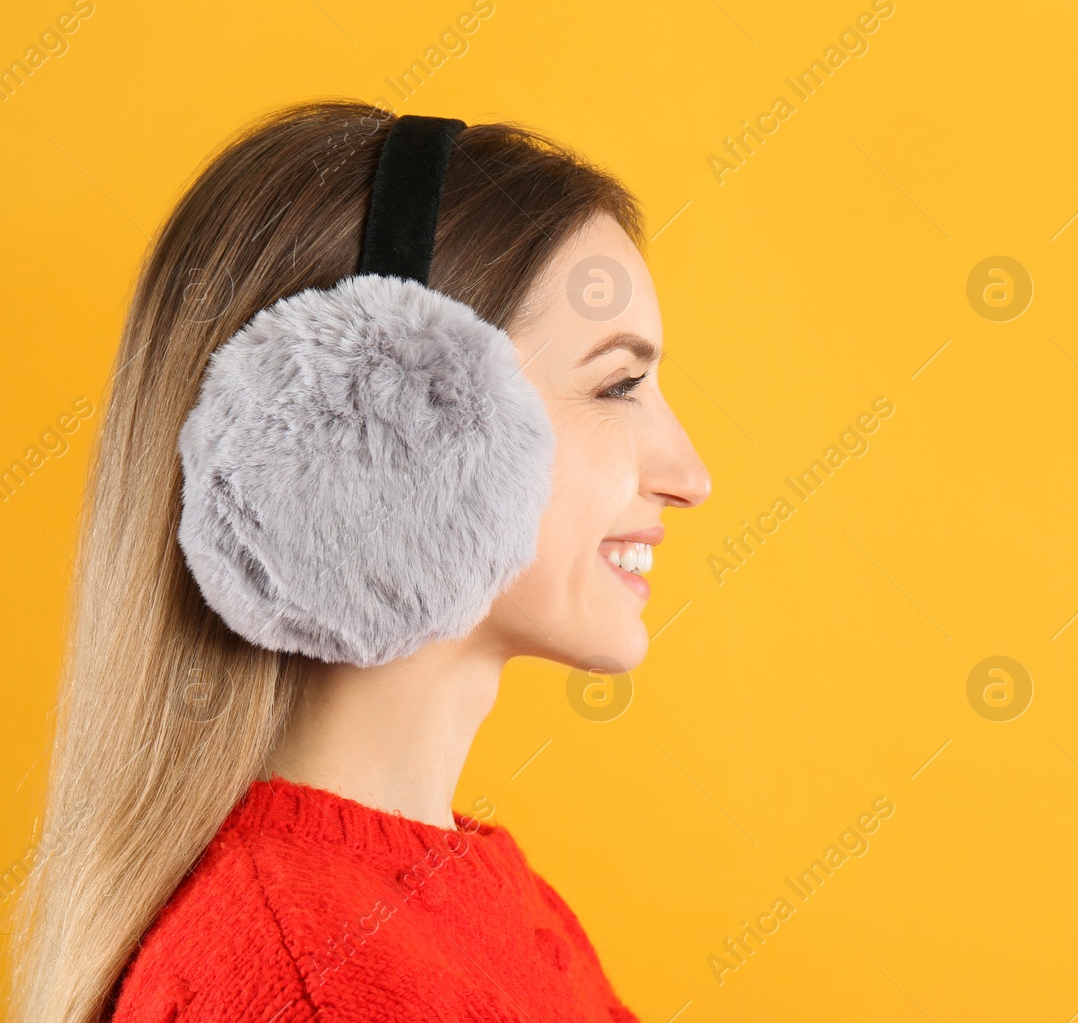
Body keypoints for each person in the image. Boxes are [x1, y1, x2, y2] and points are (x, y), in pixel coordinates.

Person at [6, 99, 711, 1023]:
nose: (691, 475)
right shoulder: (303, 978)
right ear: (383, 431)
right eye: (617, 385)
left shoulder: (477, 899)